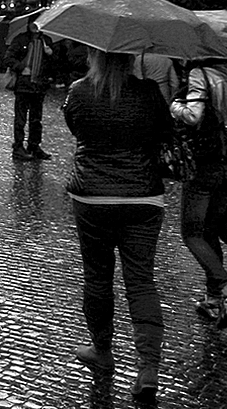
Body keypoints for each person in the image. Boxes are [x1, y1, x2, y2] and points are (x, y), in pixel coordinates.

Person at [63, 48, 170, 405]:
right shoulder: (150, 92)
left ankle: (102, 350)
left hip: (93, 197)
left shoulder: (79, 91)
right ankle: (148, 366)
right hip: (143, 196)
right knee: (141, 281)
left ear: (93, 54)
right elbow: (164, 132)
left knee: (97, 278)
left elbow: (75, 126)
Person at [171, 57, 227, 329]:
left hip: (206, 165)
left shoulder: (201, 74)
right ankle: (213, 300)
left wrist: (175, 106)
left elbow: (193, 116)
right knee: (208, 232)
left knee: (192, 232)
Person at [4, 20, 54, 161]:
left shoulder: (47, 40)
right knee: (20, 118)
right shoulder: (20, 40)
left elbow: (56, 64)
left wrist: (50, 54)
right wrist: (21, 68)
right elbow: (8, 58)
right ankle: (18, 146)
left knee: (36, 119)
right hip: (24, 86)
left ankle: (34, 145)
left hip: (39, 85)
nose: (36, 27)